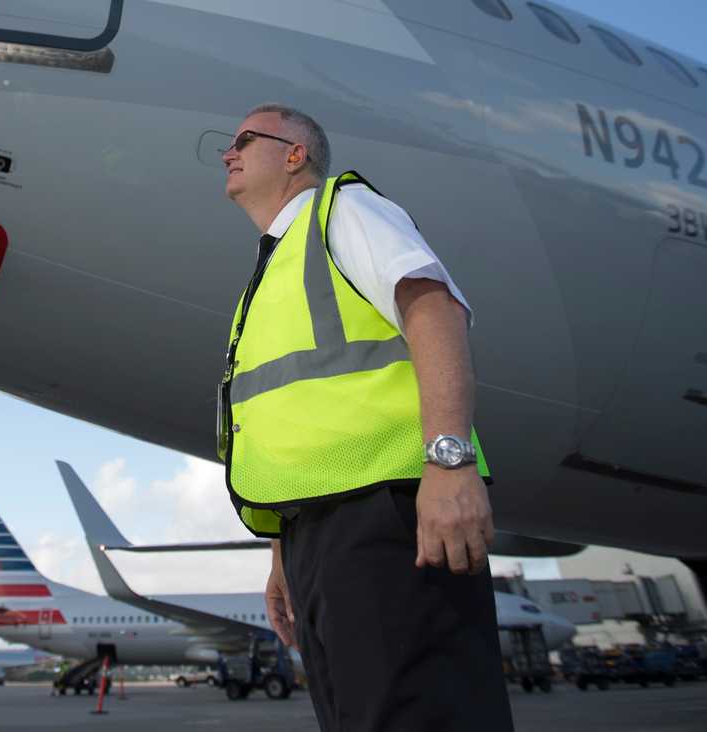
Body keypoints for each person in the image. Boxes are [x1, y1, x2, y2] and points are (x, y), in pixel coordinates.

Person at [218, 103, 513, 731]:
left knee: (417, 715)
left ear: (295, 155)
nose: (228, 151)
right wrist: (282, 552)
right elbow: (293, 423)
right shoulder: (270, 270)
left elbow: (433, 307)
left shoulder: (342, 211)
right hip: (317, 537)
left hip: (390, 518)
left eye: (245, 139)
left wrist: (449, 460)